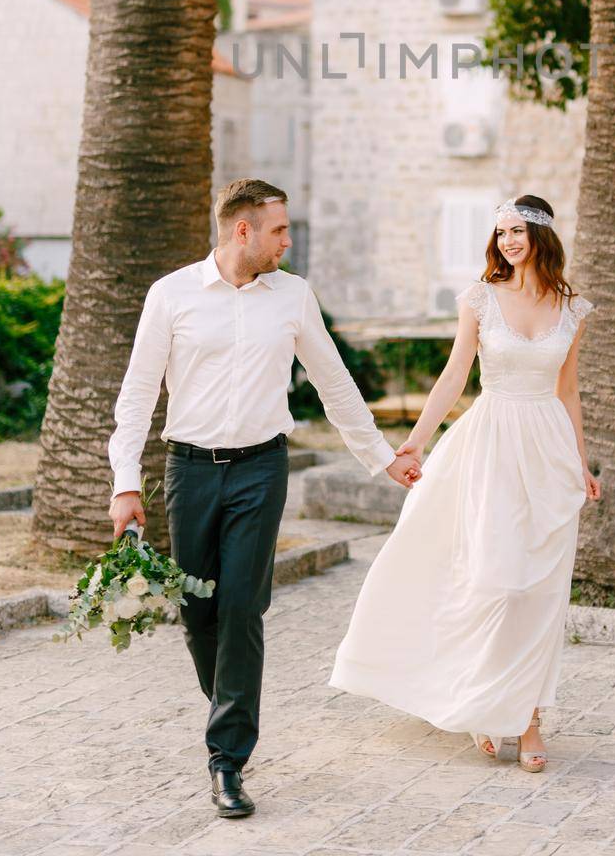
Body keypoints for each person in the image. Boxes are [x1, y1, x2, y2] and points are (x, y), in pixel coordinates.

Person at [107, 178, 421, 820]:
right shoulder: (171, 296)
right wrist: (125, 484)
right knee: (198, 611)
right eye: (279, 230)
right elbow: (137, 396)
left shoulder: (294, 296)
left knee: (243, 607)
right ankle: (231, 703)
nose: (289, 240)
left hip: (261, 469)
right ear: (242, 230)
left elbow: (334, 383)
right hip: (190, 470)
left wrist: (381, 458)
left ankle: (227, 760)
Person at [330, 193, 601, 772]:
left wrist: (581, 462)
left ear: (539, 236)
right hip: (493, 442)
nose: (506, 241)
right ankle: (482, 698)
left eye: (516, 231)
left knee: (540, 591)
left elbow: (570, 390)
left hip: (549, 451)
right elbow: (455, 375)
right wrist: (416, 439)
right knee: (495, 579)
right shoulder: (480, 299)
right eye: (499, 232)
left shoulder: (571, 307)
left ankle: (528, 719)